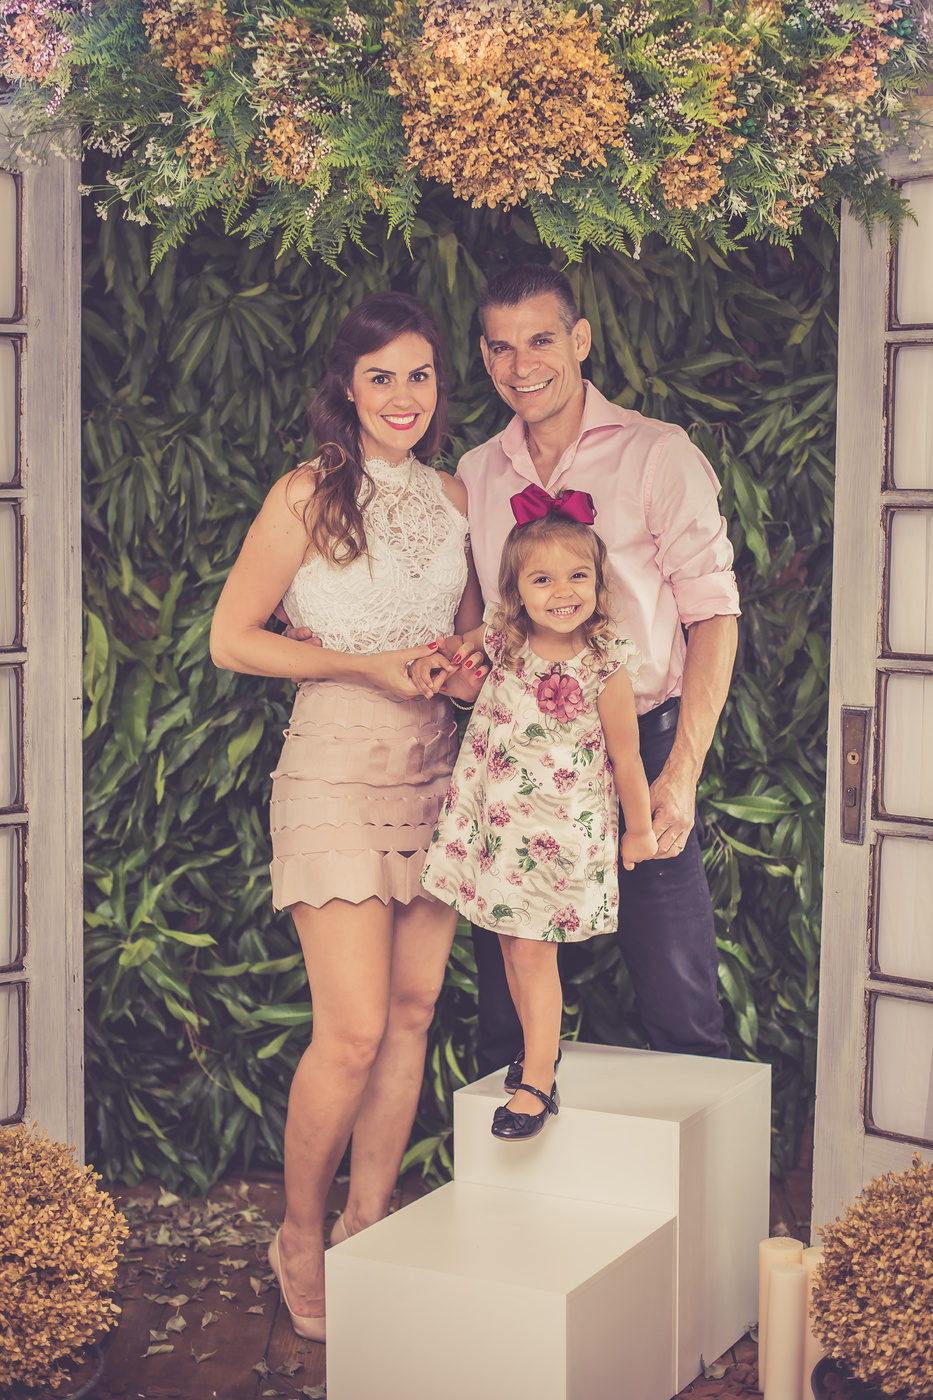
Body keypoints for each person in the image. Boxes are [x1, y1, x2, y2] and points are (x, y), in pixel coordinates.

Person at [209, 292, 483, 1342]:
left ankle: (367, 1223)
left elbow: (465, 645)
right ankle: (299, 1232)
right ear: (348, 387)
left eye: (420, 375)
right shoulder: (304, 493)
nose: (403, 396)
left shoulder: (456, 497)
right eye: (381, 377)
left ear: (438, 385)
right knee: (354, 1026)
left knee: (412, 1011)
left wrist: (463, 670)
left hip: (434, 772)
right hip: (331, 770)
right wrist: (363, 664)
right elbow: (233, 638)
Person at [430, 264, 740, 1074]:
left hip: (639, 743)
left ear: (579, 340)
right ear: (484, 356)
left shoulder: (657, 454)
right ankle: (516, 1130)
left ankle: (707, 1160)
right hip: (521, 761)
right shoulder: (476, 473)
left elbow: (714, 615)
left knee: (681, 1003)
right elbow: (483, 625)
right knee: (506, 1012)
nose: (520, 364)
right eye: (500, 347)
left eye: (539, 340)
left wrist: (680, 773)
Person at [417, 499, 658, 1139]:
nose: (562, 592)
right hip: (499, 827)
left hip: (558, 833)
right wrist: (441, 665)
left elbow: (627, 758)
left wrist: (639, 829)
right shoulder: (504, 640)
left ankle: (539, 1081)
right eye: (542, 579)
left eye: (578, 576)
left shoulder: (604, 666)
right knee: (510, 945)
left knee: (531, 951)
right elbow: (458, 661)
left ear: (599, 583)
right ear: (516, 590)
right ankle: (534, 1050)